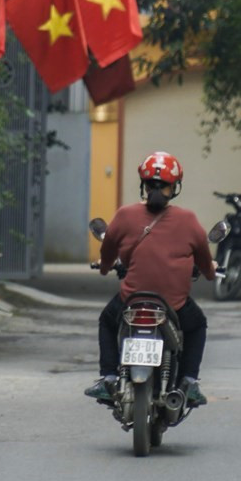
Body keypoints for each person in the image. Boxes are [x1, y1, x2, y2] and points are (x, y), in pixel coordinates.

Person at [84, 151, 216, 407]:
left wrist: (105, 267)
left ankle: (110, 378)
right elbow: (207, 269)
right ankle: (189, 381)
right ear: (174, 188)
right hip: (174, 305)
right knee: (197, 324)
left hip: (131, 301)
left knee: (107, 321)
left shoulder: (124, 215)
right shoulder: (188, 220)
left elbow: (107, 255)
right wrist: (209, 269)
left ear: (143, 184)